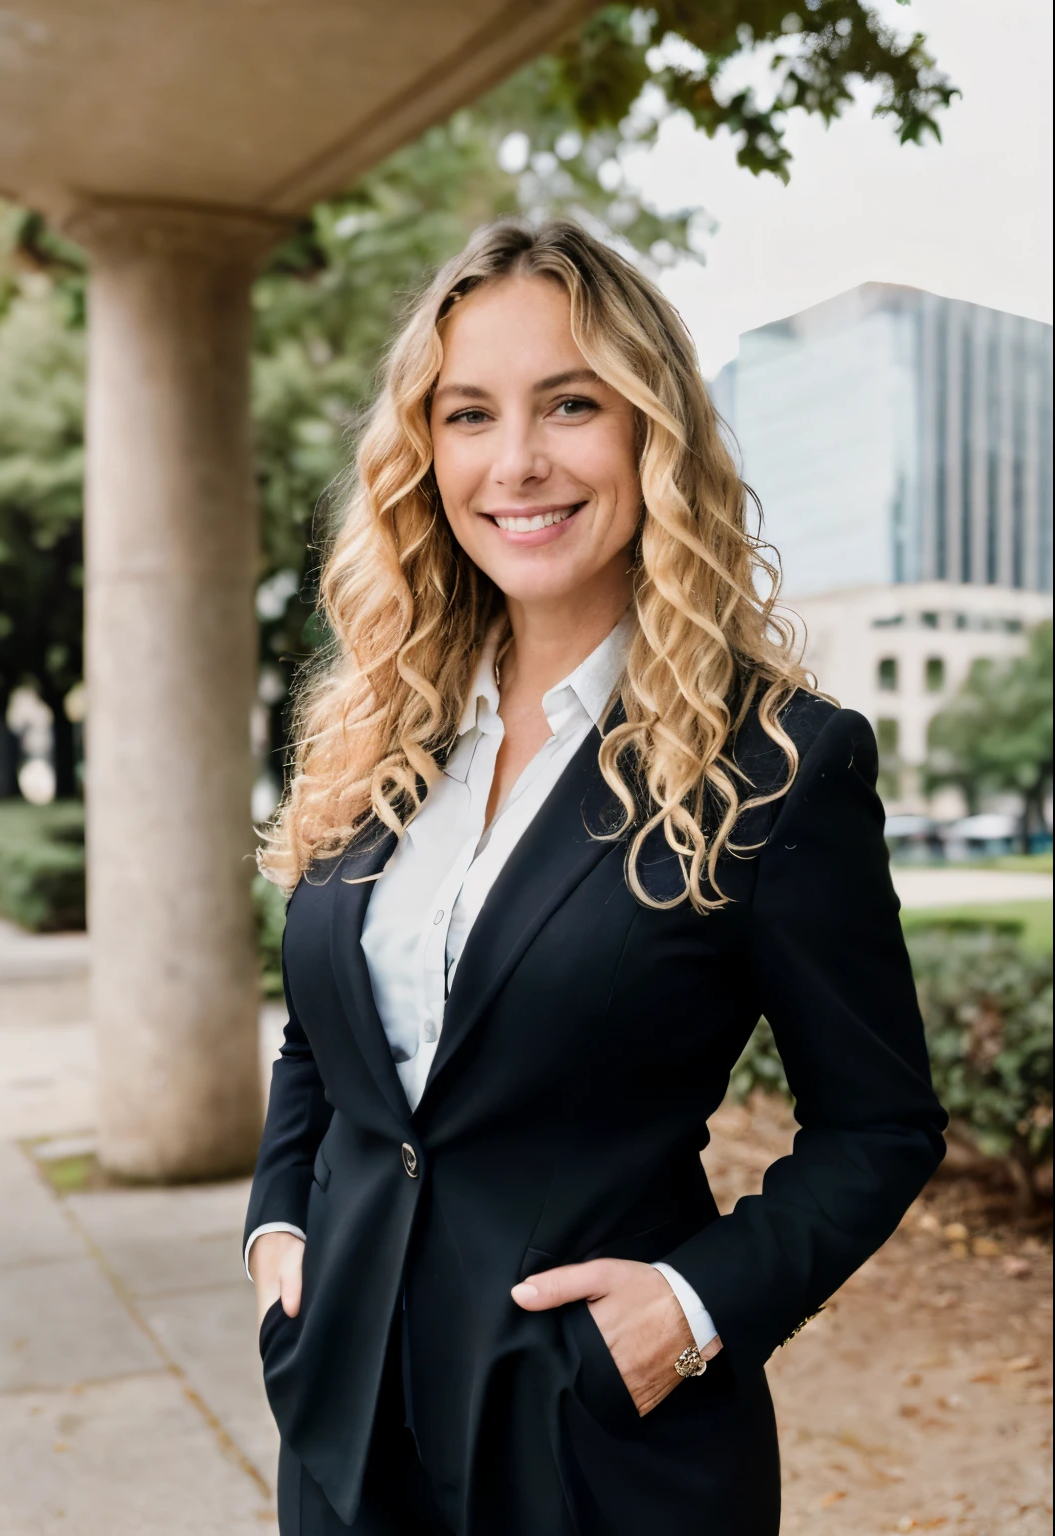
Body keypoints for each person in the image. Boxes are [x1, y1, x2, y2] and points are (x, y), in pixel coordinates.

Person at [245, 219, 947, 1536]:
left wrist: (688, 1313)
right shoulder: (377, 730)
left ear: (651, 435)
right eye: (468, 414)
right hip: (344, 1422)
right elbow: (332, 1040)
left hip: (591, 1455)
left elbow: (880, 1127)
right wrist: (280, 1229)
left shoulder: (780, 765)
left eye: (569, 404)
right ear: (424, 451)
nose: (516, 462)